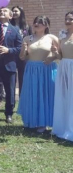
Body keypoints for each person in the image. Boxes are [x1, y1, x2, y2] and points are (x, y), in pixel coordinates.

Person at [17, 15, 58, 133]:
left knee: (45, 95)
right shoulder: (27, 39)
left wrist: (52, 57)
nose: (36, 24)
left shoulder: (52, 37)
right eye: (35, 21)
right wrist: (24, 50)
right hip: (32, 70)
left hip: (47, 69)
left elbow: (59, 55)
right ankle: (30, 122)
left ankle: (43, 123)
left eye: (40, 22)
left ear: (46, 26)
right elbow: (21, 57)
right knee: (32, 94)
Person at [52, 11, 73, 141]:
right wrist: (55, 52)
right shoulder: (62, 35)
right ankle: (64, 126)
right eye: (66, 19)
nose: (68, 21)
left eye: (71, 19)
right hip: (64, 67)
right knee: (64, 96)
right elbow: (60, 56)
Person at [10, 6, 32, 96]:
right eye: (13, 11)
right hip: (12, 54)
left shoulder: (27, 26)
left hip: (23, 55)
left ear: (21, 12)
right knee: (12, 78)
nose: (14, 13)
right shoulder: (9, 25)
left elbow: (31, 40)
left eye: (16, 11)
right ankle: (11, 98)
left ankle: (22, 97)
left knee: (22, 77)